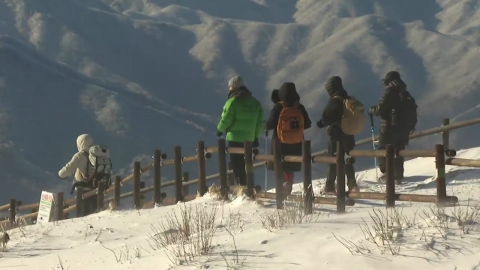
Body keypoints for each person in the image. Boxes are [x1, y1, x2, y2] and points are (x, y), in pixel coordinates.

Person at [368, 71, 418, 182]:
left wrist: (371, 110)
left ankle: (387, 174)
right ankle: (398, 175)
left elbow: (381, 110)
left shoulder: (389, 93)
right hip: (404, 128)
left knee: (383, 149)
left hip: (389, 128)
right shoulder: (406, 93)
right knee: (399, 151)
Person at [265, 82, 311, 195]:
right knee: (290, 165)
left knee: (279, 163)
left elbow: (270, 124)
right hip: (296, 141)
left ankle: (281, 189)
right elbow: (307, 124)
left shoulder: (279, 107)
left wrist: (264, 125)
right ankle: (288, 182)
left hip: (279, 141)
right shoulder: (299, 107)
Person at [217, 76, 264, 186]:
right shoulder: (255, 103)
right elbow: (259, 122)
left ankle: (242, 187)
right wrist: (256, 136)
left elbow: (226, 118)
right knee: (248, 162)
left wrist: (220, 129)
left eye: (230, 87)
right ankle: (250, 184)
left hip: (234, 138)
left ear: (234, 88)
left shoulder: (232, 102)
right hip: (250, 138)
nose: (229, 89)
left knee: (237, 164)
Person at [316, 76, 360, 195]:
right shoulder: (348, 99)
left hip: (336, 136)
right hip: (349, 134)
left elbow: (326, 117)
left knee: (333, 160)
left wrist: (320, 123)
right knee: (347, 160)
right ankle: (352, 185)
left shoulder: (334, 100)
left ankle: (330, 187)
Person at [58, 134, 98, 215]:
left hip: (82, 189)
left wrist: (61, 174)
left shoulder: (79, 156)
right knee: (94, 213)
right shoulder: (96, 155)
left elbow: (68, 169)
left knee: (83, 213)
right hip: (94, 188)